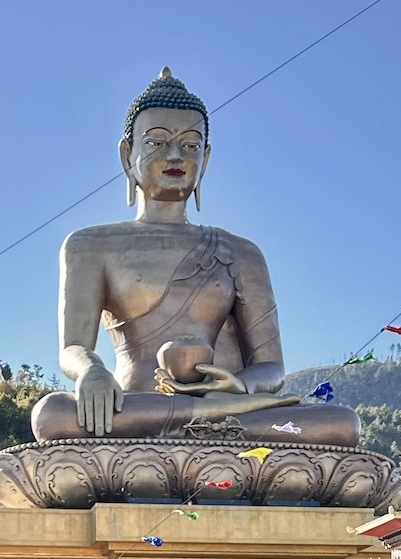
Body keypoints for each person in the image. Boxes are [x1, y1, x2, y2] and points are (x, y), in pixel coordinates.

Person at [30, 68, 359, 447]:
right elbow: (73, 348)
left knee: (342, 423)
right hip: (133, 406)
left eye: (189, 145)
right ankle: (204, 420)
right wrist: (91, 371)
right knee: (52, 414)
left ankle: (201, 417)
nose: (175, 155)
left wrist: (239, 385)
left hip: (222, 407)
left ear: (206, 158)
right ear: (126, 154)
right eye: (156, 142)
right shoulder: (89, 244)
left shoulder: (241, 252)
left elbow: (271, 367)